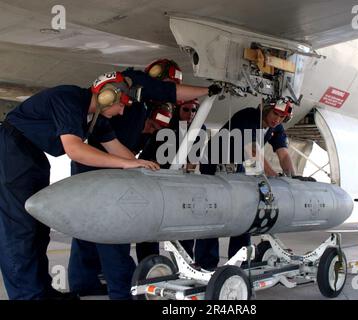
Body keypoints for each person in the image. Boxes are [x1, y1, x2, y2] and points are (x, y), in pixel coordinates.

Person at [68, 59, 221, 299]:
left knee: (88, 230)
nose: (171, 96)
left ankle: (84, 285)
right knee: (112, 233)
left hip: (98, 168)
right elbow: (113, 143)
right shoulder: (134, 91)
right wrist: (208, 90)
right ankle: (122, 292)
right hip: (104, 169)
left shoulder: (142, 104)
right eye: (168, 86)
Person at [0, 71, 157, 300]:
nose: (123, 111)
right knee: (20, 230)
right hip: (12, 150)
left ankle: (42, 292)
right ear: (107, 97)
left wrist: (143, 167)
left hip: (31, 155)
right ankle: (28, 296)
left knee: (38, 229)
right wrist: (125, 164)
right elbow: (75, 150)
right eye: (122, 104)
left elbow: (114, 148)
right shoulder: (69, 98)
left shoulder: (96, 119)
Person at [195, 98, 295, 270]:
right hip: (213, 162)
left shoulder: (275, 127)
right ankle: (206, 264)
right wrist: (273, 175)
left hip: (236, 165)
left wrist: (292, 178)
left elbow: (284, 154)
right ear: (266, 109)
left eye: (282, 117)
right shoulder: (248, 117)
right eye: (275, 114)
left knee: (245, 211)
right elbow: (253, 151)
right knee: (213, 210)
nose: (277, 120)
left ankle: (238, 262)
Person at [137, 99, 205, 262]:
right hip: (156, 180)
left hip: (180, 184)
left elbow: (192, 162)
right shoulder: (165, 126)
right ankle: (150, 264)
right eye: (186, 110)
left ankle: (185, 264)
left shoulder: (198, 129)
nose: (190, 114)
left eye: (194, 111)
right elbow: (147, 156)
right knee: (150, 227)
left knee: (185, 228)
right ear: (177, 111)